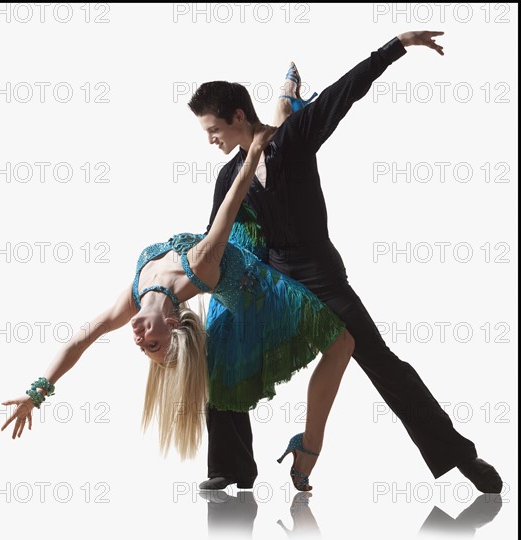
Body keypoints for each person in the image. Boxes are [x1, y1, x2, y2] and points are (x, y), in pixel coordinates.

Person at [188, 30, 503, 494]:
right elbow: (213, 239)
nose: (211, 140)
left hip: (320, 275)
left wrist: (398, 45)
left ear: (239, 116)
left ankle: (461, 457)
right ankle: (234, 466)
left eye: (214, 130)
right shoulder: (229, 175)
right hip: (274, 281)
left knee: (383, 364)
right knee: (223, 346)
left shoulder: (293, 139)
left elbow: (345, 93)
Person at [1, 123, 355, 491]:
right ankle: (303, 448)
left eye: (143, 349)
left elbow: (81, 339)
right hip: (261, 290)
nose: (139, 341)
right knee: (341, 342)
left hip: (237, 243)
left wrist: (37, 392)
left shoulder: (136, 295)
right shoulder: (197, 269)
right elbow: (228, 210)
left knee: (221, 370)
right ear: (171, 322)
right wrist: (250, 156)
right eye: (153, 344)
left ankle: (286, 107)